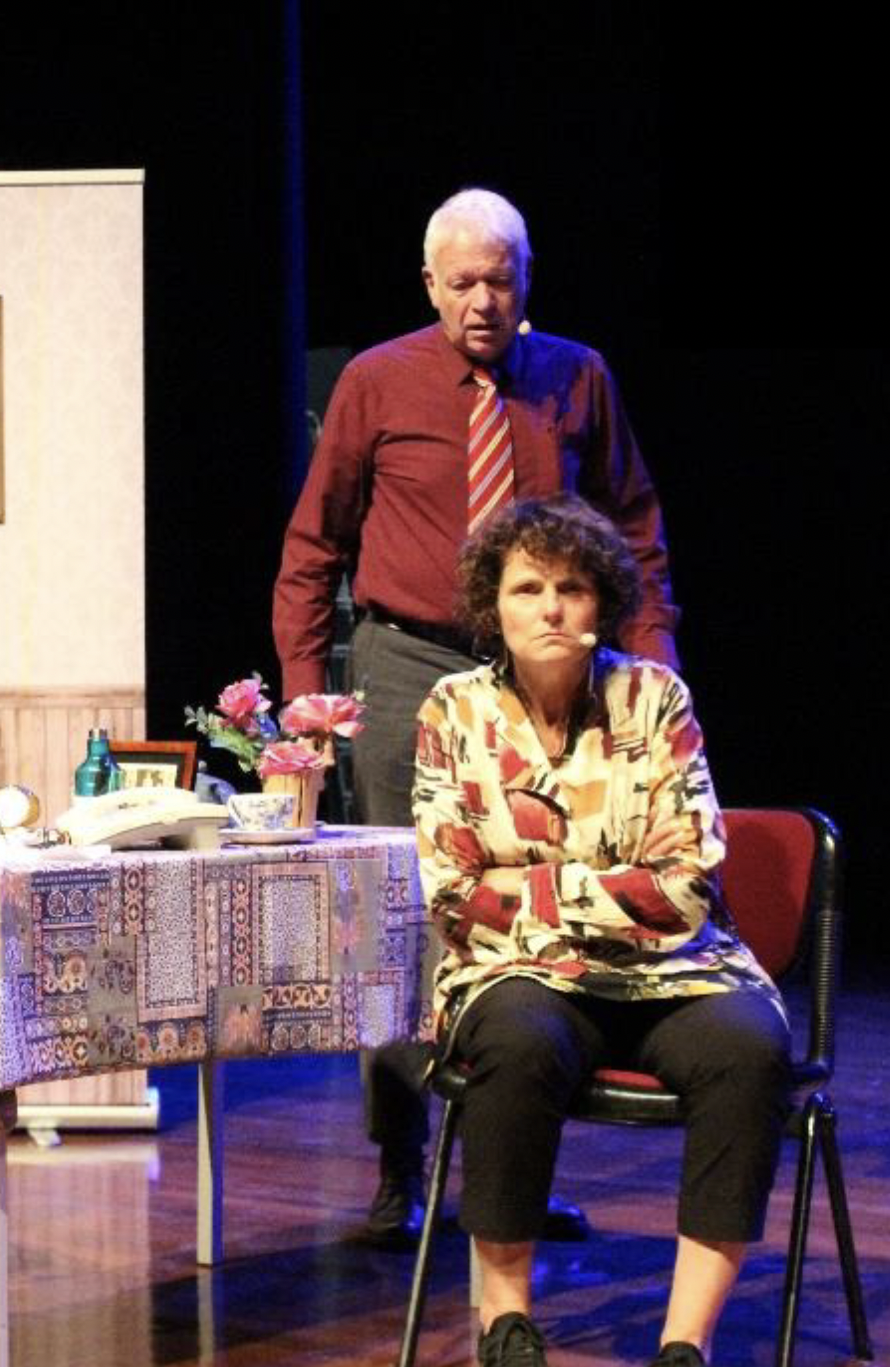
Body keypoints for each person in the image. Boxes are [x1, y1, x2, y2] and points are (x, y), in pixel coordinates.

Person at [273, 186, 681, 1245]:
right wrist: (306, 693)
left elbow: (635, 529)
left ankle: (512, 1172)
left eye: (501, 281)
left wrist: (652, 665)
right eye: (462, 284)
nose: (483, 302)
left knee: (541, 916)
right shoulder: (377, 380)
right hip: (409, 663)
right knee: (405, 915)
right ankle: (398, 1172)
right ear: (430, 285)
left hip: (545, 671)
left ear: (527, 278)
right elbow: (315, 542)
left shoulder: (576, 376)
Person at [411, 498, 787, 1367]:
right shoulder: (452, 710)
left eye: (571, 587)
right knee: (515, 1041)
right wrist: (611, 884)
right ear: (492, 604)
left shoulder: (654, 700)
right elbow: (451, 895)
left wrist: (527, 887)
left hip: (673, 973)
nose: (550, 607)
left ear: (600, 603)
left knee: (751, 1048)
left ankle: (683, 1357)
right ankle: (507, 1332)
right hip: (515, 977)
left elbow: (686, 887)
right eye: (527, 587)